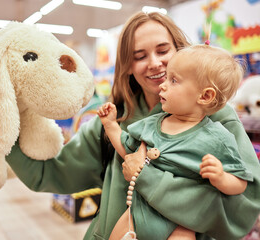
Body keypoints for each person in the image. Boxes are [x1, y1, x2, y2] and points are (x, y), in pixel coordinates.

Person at [6, 11, 260, 240]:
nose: (154, 63)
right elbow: (52, 172)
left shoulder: (216, 119)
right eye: (139, 56)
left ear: (180, 52)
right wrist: (6, 131)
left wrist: (147, 178)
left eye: (163, 50)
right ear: (127, 65)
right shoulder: (111, 120)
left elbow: (244, 202)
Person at [97, 44, 253, 239]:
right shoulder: (152, 124)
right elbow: (128, 151)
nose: (163, 84)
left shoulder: (218, 138)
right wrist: (111, 125)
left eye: (173, 80)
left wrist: (221, 177)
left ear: (205, 96)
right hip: (137, 213)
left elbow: (240, 183)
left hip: (181, 224)